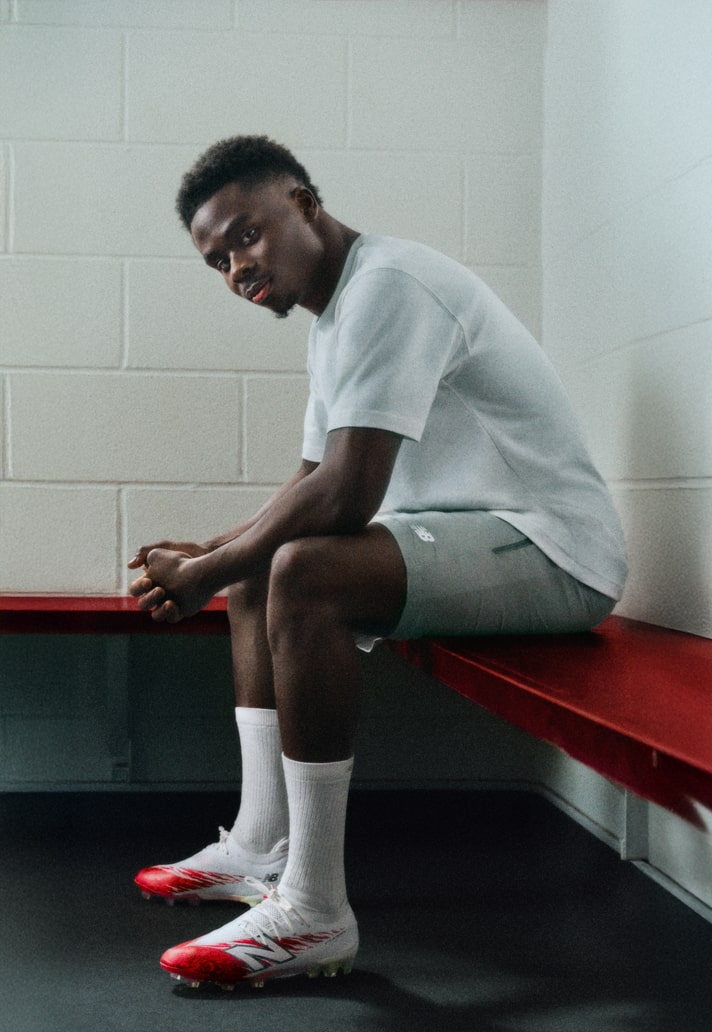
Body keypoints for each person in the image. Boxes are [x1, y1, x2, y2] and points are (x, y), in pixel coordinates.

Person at [128, 135, 627, 990]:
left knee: (300, 573)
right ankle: (261, 843)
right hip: (471, 536)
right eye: (218, 261)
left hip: (556, 550)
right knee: (259, 568)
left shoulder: (391, 285)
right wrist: (213, 554)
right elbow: (310, 480)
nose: (237, 268)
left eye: (246, 235)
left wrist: (204, 574)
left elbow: (347, 495)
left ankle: (314, 909)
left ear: (304, 203)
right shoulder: (337, 316)